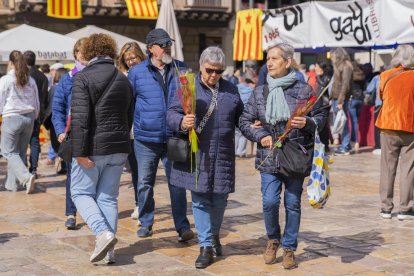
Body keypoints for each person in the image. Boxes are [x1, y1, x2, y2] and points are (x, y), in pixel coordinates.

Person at [239, 43, 327, 270]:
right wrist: (260, 135)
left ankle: (289, 248)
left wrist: (307, 122)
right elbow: (244, 121)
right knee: (269, 202)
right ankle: (273, 239)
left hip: (295, 155)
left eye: (275, 59)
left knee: (292, 203)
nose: (269, 62)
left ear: (287, 62)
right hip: (269, 155)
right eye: (268, 58)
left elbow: (321, 117)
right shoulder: (259, 91)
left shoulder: (304, 90)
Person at [167, 46, 244, 268]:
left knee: (220, 199)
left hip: (222, 155)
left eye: (219, 71)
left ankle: (214, 234)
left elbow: (242, 119)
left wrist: (257, 129)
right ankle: (206, 246)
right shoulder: (187, 86)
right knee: (200, 200)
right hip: (197, 154)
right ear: (201, 66)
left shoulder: (231, 90)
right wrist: (181, 122)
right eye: (210, 70)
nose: (214, 75)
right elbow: (171, 114)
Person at [70, 33, 134, 264]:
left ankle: (102, 233)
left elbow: (80, 118)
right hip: (119, 146)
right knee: (108, 198)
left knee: (80, 192)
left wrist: (79, 152)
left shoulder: (83, 78)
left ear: (88, 52)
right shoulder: (123, 79)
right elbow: (129, 115)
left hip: (94, 147)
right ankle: (108, 253)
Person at [128, 28, 194, 241]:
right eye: (162, 44)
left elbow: (192, 98)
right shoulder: (137, 72)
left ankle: (182, 226)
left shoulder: (181, 69)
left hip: (174, 136)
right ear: (150, 48)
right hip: (146, 139)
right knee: (145, 183)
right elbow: (129, 104)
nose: (167, 47)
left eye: (168, 43)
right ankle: (146, 222)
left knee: (177, 184)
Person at [52, 37, 88, 230]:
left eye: (89, 53)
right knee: (73, 176)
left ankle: (92, 212)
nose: (85, 57)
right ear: (76, 54)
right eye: (82, 53)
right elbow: (57, 108)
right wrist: (59, 131)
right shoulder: (67, 80)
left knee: (92, 176)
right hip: (72, 134)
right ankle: (70, 213)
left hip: (93, 134)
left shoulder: (95, 76)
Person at [375, 45, 414, 220]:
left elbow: (382, 96)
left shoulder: (385, 75)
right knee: (408, 169)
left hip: (388, 126)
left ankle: (385, 208)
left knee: (387, 168)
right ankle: (405, 209)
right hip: (409, 126)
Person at [0, 50, 39, 194]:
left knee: (8, 151)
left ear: (10, 62)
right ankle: (12, 185)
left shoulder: (5, 80)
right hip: (29, 117)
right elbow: (36, 102)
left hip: (12, 117)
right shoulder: (30, 79)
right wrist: (35, 116)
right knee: (19, 153)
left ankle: (26, 177)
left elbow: (0, 100)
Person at [117, 41, 146, 221]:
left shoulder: (146, 74)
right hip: (125, 129)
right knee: (133, 170)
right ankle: (139, 202)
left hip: (141, 128)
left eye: (134, 57)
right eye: (128, 59)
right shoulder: (121, 76)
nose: (132, 61)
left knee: (140, 171)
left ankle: (141, 204)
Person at [23, 51, 49, 178]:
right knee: (34, 141)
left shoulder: (21, 75)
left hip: (23, 113)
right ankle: (33, 169)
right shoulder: (42, 77)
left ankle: (22, 170)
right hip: (37, 113)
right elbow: (44, 97)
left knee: (21, 142)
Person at [330, 47, 353, 156]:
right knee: (340, 122)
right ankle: (345, 145)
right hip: (336, 98)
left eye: (333, 55)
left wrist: (340, 100)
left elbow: (345, 85)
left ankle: (345, 146)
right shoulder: (339, 66)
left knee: (343, 123)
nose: (332, 58)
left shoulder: (346, 66)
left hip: (341, 99)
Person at [44, 68, 67, 166]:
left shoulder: (53, 88)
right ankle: (64, 165)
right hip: (65, 117)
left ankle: (62, 164)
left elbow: (48, 102)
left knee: (57, 142)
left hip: (55, 118)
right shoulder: (68, 86)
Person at [315, 61, 333, 156]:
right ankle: (322, 144)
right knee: (320, 126)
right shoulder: (321, 77)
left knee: (324, 126)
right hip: (318, 104)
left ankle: (325, 145)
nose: (315, 68)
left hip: (324, 105)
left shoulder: (327, 77)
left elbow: (323, 86)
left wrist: (318, 77)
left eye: (316, 66)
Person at [235, 72, 255, 158]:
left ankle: (235, 151)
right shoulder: (251, 90)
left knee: (236, 133)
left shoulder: (235, 88)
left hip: (236, 112)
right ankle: (241, 152)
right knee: (243, 134)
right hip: (246, 114)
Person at [349, 61, 366, 153]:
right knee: (357, 121)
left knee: (354, 122)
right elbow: (364, 87)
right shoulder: (362, 74)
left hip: (353, 99)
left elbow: (348, 87)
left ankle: (355, 141)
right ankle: (356, 141)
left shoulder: (351, 75)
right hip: (361, 99)